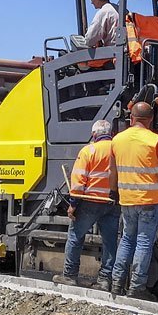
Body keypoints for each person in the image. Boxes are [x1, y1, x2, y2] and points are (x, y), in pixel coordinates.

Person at [109, 102, 158, 300]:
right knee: (143, 243)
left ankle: (116, 284)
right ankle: (137, 287)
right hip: (150, 201)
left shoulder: (117, 140)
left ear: (131, 118)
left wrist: (113, 191)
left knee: (126, 241)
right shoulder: (157, 141)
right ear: (151, 120)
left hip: (127, 201)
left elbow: (112, 171)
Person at [53, 120, 121, 291]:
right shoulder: (118, 149)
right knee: (110, 241)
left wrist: (73, 204)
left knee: (76, 237)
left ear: (94, 134)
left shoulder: (89, 151)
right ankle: (105, 280)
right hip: (112, 202)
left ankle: (69, 276)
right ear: (110, 133)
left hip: (89, 201)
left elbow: (78, 181)